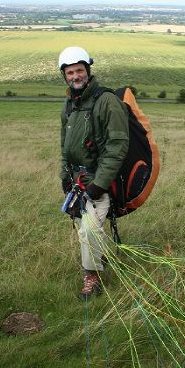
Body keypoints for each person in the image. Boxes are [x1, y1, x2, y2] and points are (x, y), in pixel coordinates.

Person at [59, 46, 129, 300]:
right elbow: (65, 145)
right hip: (77, 182)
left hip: (99, 182)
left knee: (89, 230)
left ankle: (92, 278)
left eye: (79, 70)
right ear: (64, 76)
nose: (75, 76)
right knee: (85, 229)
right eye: (70, 73)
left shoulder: (106, 101)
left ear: (87, 71)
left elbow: (118, 146)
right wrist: (64, 177)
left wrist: (99, 184)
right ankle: (98, 260)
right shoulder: (69, 104)